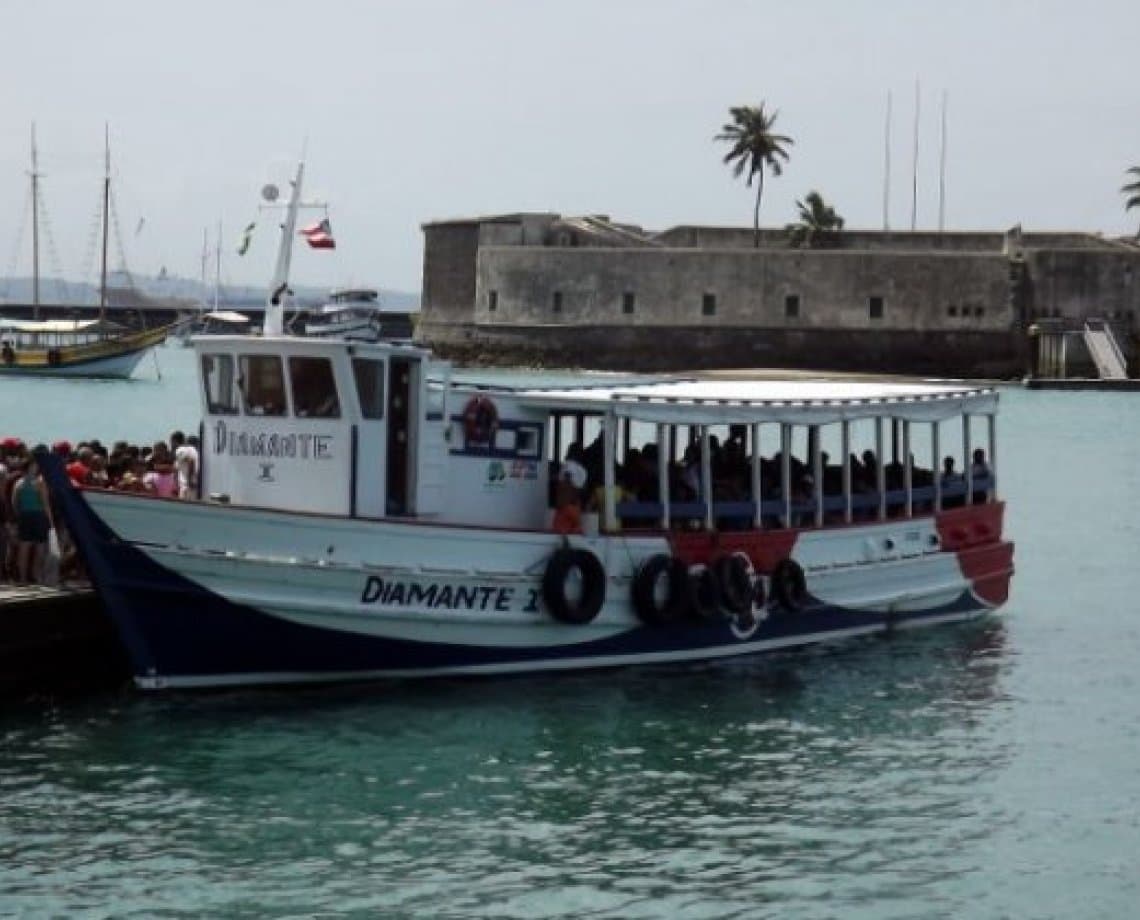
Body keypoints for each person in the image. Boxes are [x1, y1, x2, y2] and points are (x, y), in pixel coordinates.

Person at [12, 452, 54, 585]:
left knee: (24, 548)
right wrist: (51, 521)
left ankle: (23, 579)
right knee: (40, 548)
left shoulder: (18, 483)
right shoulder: (40, 481)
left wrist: (19, 515)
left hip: (24, 516)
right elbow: (45, 503)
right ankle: (38, 576)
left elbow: (14, 502)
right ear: (32, 466)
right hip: (39, 515)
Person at [171, 431, 199, 500]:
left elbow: (190, 461)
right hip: (194, 486)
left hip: (187, 486)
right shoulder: (194, 450)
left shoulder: (180, 450)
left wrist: (189, 480)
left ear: (174, 441)